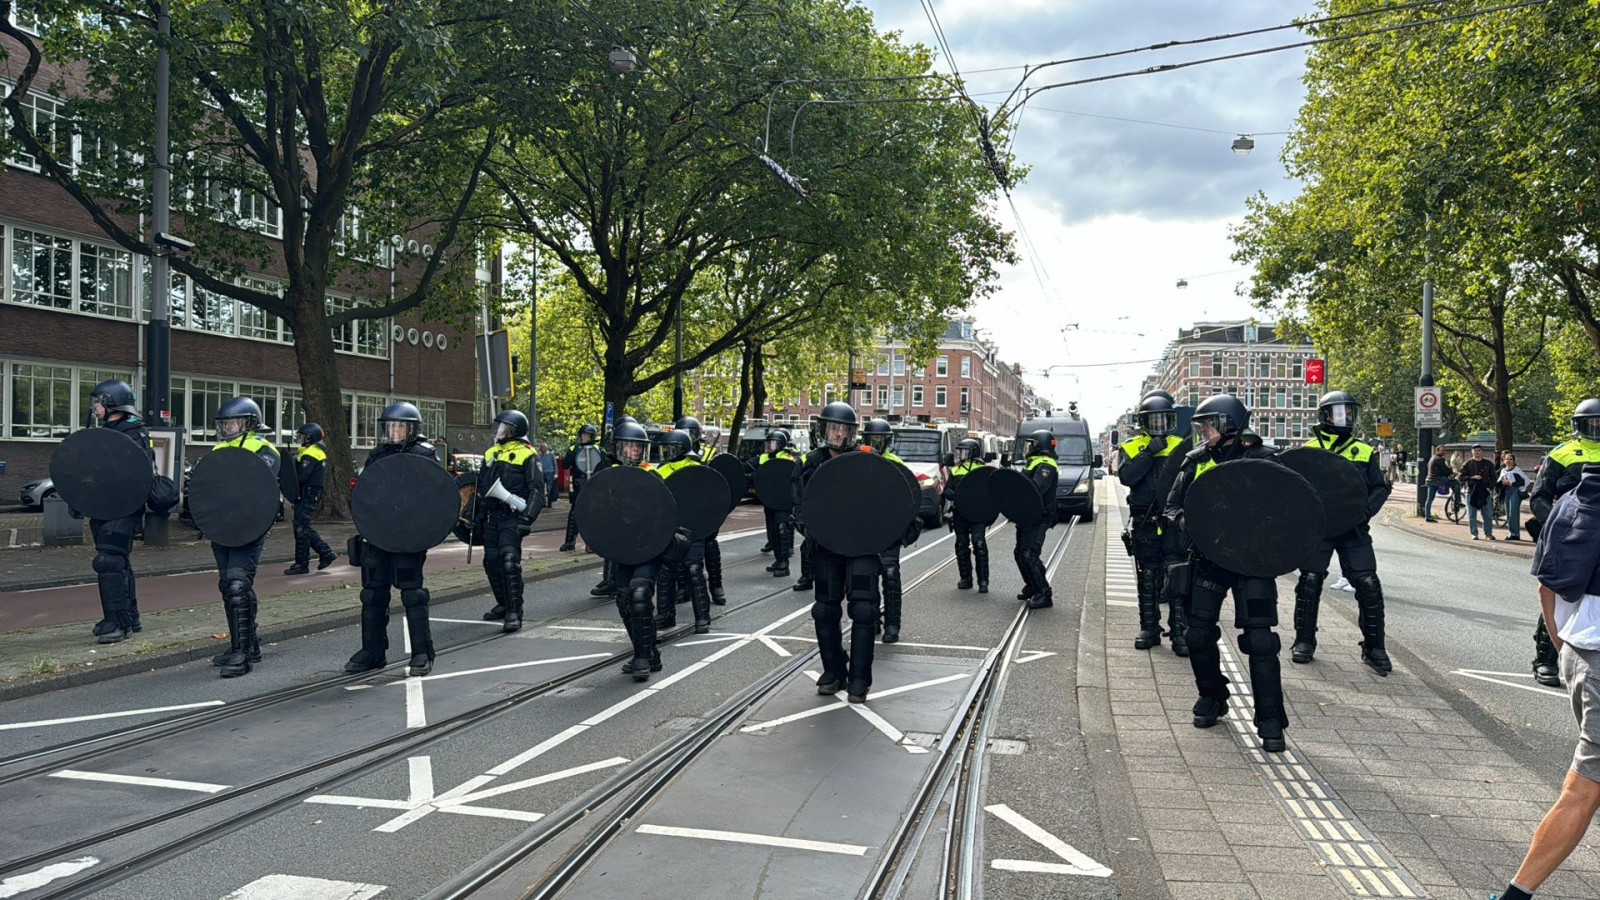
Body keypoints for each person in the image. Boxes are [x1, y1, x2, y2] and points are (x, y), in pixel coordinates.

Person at [1495, 469, 1600, 900]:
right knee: (1584, 788)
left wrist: (1562, 647)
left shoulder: (1574, 499)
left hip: (1581, 651)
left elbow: (1546, 588)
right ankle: (1514, 896)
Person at [1165, 393, 1290, 752]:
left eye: (1207, 424)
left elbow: (1288, 509)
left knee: (1261, 642)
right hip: (1208, 559)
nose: (1202, 431)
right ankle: (1212, 697)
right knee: (1198, 634)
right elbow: (1173, 505)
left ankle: (1270, 720)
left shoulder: (1265, 460)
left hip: (1253, 564)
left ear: (1227, 424)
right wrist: (1191, 522)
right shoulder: (1195, 462)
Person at [1289, 391, 1394, 675]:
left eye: (1349, 412)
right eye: (1339, 412)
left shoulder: (1363, 450)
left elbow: (1380, 487)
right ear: (1325, 415)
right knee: (1309, 581)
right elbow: (1293, 490)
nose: (1346, 417)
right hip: (1319, 530)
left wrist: (1363, 514)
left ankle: (1374, 647)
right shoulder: (1308, 449)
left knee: (1368, 583)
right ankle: (1304, 640)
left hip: (1353, 529)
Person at [794, 402, 885, 703]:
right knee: (824, 609)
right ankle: (833, 671)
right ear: (823, 430)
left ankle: (860, 678)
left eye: (842, 429)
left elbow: (887, 499)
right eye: (832, 428)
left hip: (861, 548)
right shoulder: (810, 463)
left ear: (851, 433)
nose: (836, 434)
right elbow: (799, 505)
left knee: (863, 610)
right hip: (827, 548)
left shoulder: (865, 461)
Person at [346, 402, 441, 677]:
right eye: (390, 426)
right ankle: (372, 651)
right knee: (372, 593)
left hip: (409, 536)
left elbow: (434, 496)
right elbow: (367, 493)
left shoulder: (424, 455)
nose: (394, 430)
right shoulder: (377, 455)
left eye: (399, 425)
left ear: (411, 429)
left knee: (412, 594)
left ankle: (423, 652)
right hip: (378, 533)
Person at [1526, 398, 1600, 689]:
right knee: (1556, 593)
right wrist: (1558, 529)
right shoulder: (1561, 454)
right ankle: (1545, 658)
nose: (1596, 427)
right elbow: (1539, 497)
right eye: (1591, 422)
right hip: (1571, 537)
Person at [605, 421, 686, 681]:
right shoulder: (607, 477)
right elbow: (598, 514)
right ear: (618, 448)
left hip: (649, 548)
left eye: (637, 447)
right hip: (622, 549)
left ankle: (642, 658)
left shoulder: (654, 475)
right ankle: (649, 652)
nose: (632, 451)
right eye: (628, 446)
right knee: (625, 601)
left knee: (640, 595)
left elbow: (668, 514)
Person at [208, 398, 282, 678]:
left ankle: (242, 656)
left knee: (238, 583)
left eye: (234, 422)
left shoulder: (265, 450)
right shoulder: (217, 450)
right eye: (225, 423)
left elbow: (258, 487)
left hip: (249, 527)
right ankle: (246, 644)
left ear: (249, 423)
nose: (228, 427)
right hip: (221, 528)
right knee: (228, 585)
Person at [84, 379, 152, 645]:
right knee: (117, 561)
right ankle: (126, 616)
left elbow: (138, 472)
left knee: (109, 561)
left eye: (98, 401)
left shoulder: (133, 431)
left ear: (111, 402)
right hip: (102, 506)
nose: (94, 407)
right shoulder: (106, 430)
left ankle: (119, 623)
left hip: (124, 507)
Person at [1117, 394, 1186, 652]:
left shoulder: (1183, 446)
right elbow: (1127, 476)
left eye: (1163, 419)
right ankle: (1149, 628)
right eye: (1153, 420)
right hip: (1145, 521)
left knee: (1177, 575)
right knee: (1147, 576)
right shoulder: (1132, 446)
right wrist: (1149, 453)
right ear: (1145, 422)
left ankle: (1179, 631)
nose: (1159, 425)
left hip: (1173, 522)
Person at [478, 410, 543, 632]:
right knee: (491, 562)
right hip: (491, 517)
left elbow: (537, 490)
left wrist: (527, 518)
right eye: (499, 426)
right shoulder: (491, 453)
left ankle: (515, 611)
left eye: (504, 427)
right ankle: (503, 604)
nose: (499, 431)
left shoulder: (528, 454)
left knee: (509, 561)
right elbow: (480, 485)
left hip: (513, 516)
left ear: (515, 430)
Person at [862, 418, 920, 643]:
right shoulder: (858, 460)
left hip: (889, 529)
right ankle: (872, 619)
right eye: (872, 438)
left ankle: (893, 624)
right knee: (865, 576)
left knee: (890, 574)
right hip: (864, 528)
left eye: (880, 438)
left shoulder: (896, 464)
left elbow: (908, 499)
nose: (876, 442)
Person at [653, 429, 713, 634]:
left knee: (694, 569)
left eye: (672, 448)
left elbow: (708, 502)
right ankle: (666, 614)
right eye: (665, 448)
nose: (668, 452)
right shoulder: (661, 471)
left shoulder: (696, 469)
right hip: (670, 530)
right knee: (665, 571)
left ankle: (703, 616)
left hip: (694, 530)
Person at [678, 415, 726, 605]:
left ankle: (716, 586)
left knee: (709, 545)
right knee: (680, 547)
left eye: (690, 433)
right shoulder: (676, 450)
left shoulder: (707, 452)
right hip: (684, 505)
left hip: (704, 506)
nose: (687, 437)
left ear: (697, 435)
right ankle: (683, 587)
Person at [283, 423, 339, 576]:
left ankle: (302, 563)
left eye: (303, 436)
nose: (300, 438)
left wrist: (293, 465)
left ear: (310, 438)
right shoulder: (309, 451)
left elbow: (302, 476)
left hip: (308, 493)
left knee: (301, 528)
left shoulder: (311, 454)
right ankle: (325, 553)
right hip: (309, 493)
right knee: (302, 526)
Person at [1015, 429, 1060, 610]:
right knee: (1019, 553)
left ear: (1040, 446)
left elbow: (1036, 489)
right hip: (1028, 516)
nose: (1029, 448)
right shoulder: (1034, 463)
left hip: (1039, 517)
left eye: (1032, 444)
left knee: (1029, 554)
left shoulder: (1045, 466)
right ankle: (1032, 584)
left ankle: (1044, 592)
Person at [943, 437, 991, 594]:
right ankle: (966, 578)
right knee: (961, 545)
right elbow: (947, 490)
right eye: (960, 452)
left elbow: (990, 493)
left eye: (964, 452)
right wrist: (956, 495)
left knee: (979, 543)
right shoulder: (956, 470)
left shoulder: (981, 470)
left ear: (973, 453)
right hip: (960, 513)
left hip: (978, 513)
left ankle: (983, 581)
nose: (961, 455)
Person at [756, 429, 799, 579]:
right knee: (773, 530)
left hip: (782, 502)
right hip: (769, 500)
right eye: (768, 443)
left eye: (772, 443)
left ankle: (784, 563)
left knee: (782, 529)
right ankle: (777, 559)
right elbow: (752, 470)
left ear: (780, 445)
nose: (769, 446)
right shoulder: (763, 458)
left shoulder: (787, 458)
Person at [559, 423, 600, 552]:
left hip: (594, 486)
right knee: (574, 515)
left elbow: (605, 466)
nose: (584, 438)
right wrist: (571, 455)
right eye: (582, 435)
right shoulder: (574, 449)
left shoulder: (599, 449)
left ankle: (591, 544)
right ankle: (569, 542)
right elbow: (565, 465)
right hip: (578, 486)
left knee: (592, 515)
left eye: (586, 435)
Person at [1462, 444, 1498, 540]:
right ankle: (1474, 533)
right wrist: (1472, 477)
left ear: (1482, 451)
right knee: (1471, 514)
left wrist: (1490, 487)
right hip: (1471, 491)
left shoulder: (1488, 464)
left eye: (1478, 450)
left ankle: (1488, 533)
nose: (1477, 452)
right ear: (1472, 451)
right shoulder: (1467, 464)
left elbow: (1494, 478)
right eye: (1475, 450)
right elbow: (1460, 477)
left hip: (1484, 491)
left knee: (1488, 514)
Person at [1500, 449, 1530, 542]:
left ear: (1514, 461)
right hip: (1507, 492)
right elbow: (1499, 481)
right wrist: (1502, 483)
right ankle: (1511, 532)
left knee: (1513, 512)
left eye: (1511, 459)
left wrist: (1512, 483)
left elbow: (1525, 481)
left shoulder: (1517, 470)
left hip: (1515, 492)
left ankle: (1515, 533)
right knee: (1508, 513)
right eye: (1507, 459)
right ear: (1504, 461)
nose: (1508, 461)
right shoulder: (1504, 471)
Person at [1424, 445, 1451, 522]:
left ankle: (1427, 516)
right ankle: (1458, 500)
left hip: (1430, 480)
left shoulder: (1432, 457)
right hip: (1436, 480)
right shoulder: (1439, 459)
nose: (1444, 452)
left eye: (1444, 450)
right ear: (1437, 450)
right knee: (1455, 483)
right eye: (1442, 450)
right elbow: (1445, 470)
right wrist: (1451, 471)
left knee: (1429, 499)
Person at [539, 443, 559, 507]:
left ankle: (549, 502)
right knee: (541, 488)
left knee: (549, 487)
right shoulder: (540, 456)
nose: (541, 449)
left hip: (549, 472)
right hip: (542, 473)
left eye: (542, 447)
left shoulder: (551, 455)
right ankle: (543, 502)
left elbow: (555, 464)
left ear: (546, 448)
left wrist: (556, 473)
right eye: (540, 447)